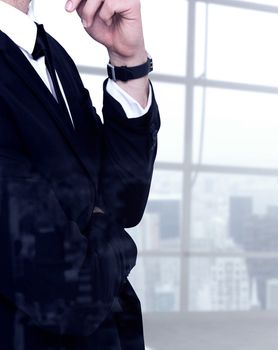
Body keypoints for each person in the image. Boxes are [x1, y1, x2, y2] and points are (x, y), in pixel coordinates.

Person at [0, 0, 159, 349]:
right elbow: (69, 292)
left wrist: (128, 62)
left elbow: (123, 202)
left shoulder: (48, 52)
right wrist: (117, 240)